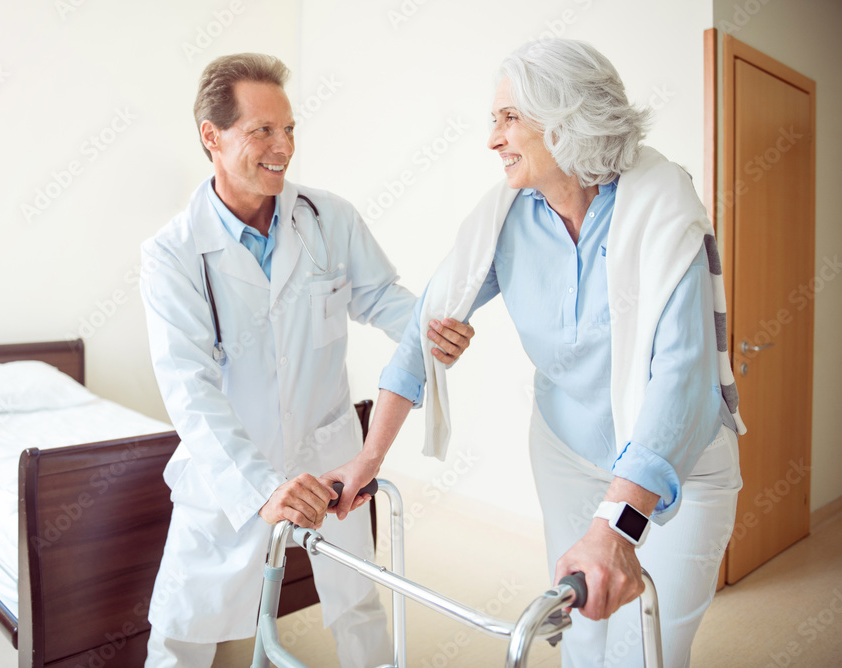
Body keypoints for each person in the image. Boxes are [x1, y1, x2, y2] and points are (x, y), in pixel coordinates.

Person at [325, 39, 744, 668]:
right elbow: (422, 331)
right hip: (567, 452)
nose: (492, 138)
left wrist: (615, 528)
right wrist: (368, 457)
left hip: (680, 463)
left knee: (646, 649)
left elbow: (682, 379)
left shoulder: (661, 205)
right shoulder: (507, 218)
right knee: (578, 634)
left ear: (568, 116)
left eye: (509, 117)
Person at [139, 53, 474, 667]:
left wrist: (429, 332)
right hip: (230, 468)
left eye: (288, 128)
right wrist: (261, 487)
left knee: (357, 603)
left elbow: (380, 299)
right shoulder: (173, 254)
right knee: (185, 628)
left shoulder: (328, 218)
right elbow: (190, 389)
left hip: (328, 454)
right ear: (211, 137)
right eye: (261, 130)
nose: (283, 146)